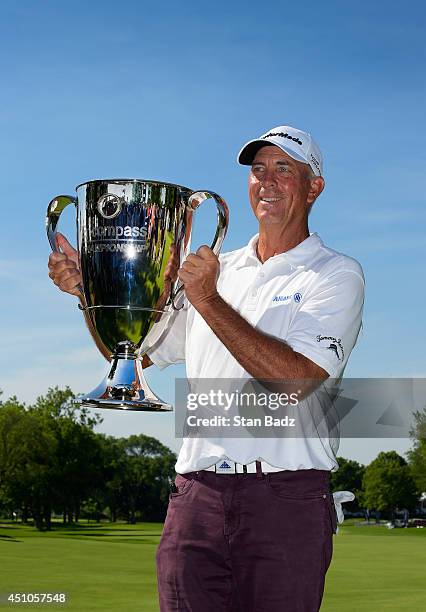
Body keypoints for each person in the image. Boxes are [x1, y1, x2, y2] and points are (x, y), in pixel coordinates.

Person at [48, 125, 365, 612]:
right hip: (196, 495)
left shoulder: (335, 273)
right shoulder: (215, 267)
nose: (267, 181)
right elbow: (138, 353)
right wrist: (91, 297)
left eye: (284, 169)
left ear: (314, 186)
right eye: (259, 170)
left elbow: (295, 380)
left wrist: (208, 300)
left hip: (285, 498)